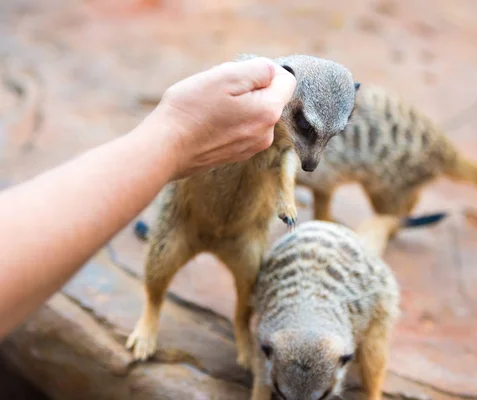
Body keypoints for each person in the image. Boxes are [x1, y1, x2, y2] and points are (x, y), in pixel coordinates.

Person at [0, 57, 297, 338]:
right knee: (161, 264)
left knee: (249, 280)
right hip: (188, 217)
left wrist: (175, 131)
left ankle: (241, 329)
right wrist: (178, 132)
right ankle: (151, 313)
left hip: (244, 228)